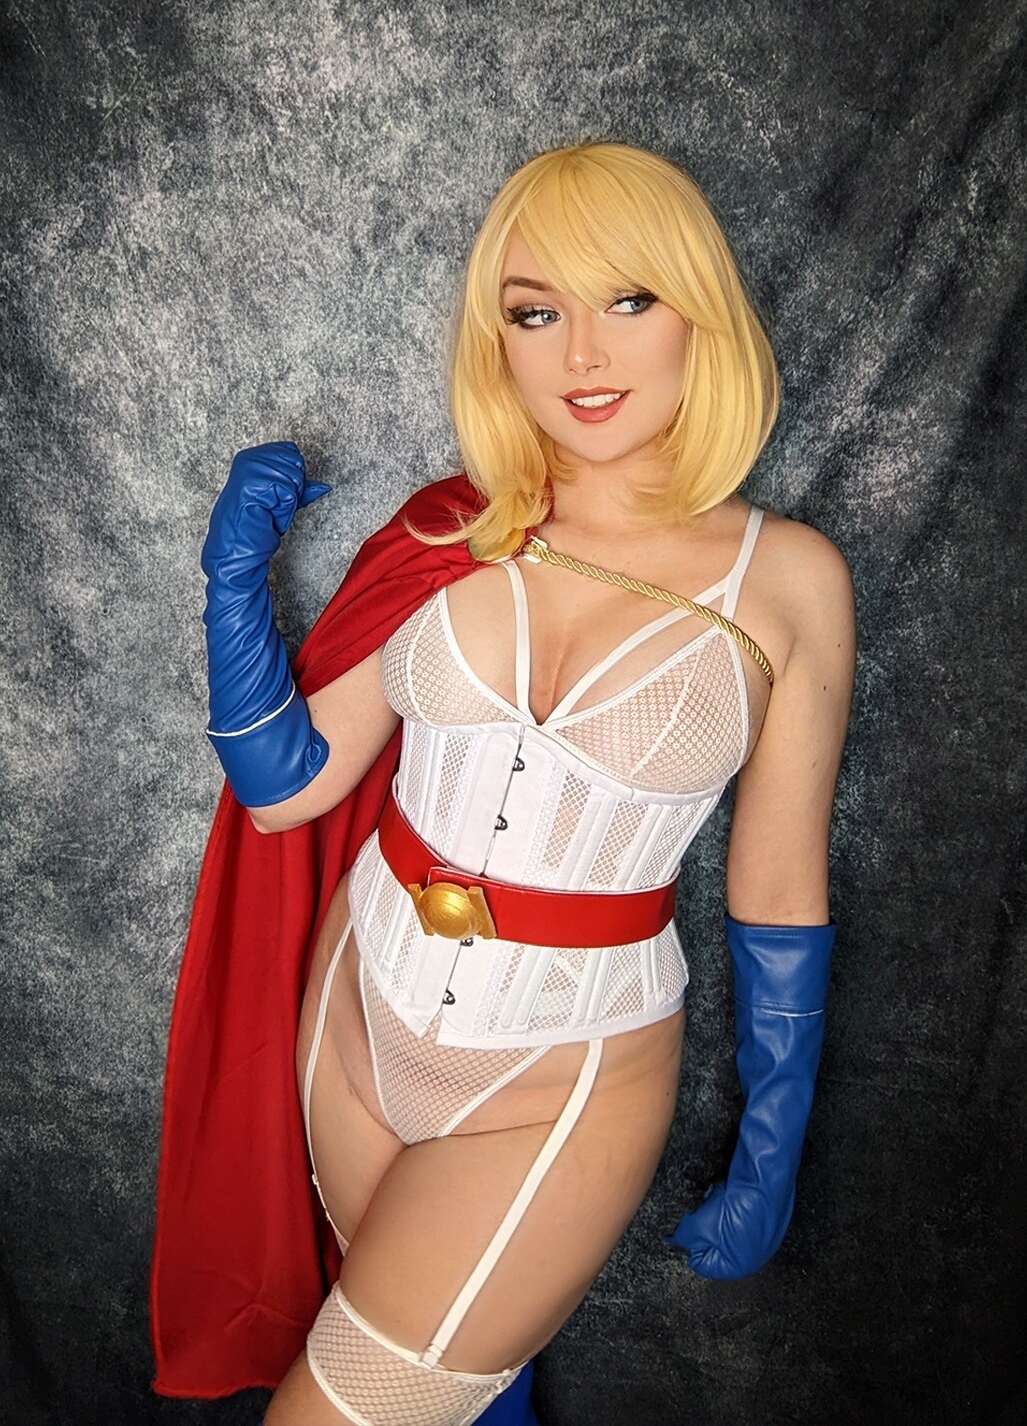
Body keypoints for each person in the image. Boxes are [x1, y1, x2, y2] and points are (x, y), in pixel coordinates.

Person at [151, 142, 855, 1426]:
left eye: (629, 298)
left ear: (701, 310)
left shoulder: (790, 581)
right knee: (467, 1400)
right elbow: (288, 793)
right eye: (537, 313)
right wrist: (231, 587)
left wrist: (775, 1140)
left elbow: (779, 885)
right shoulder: (449, 528)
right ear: (500, 341)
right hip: (353, 1018)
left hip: (561, 1079)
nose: (583, 353)